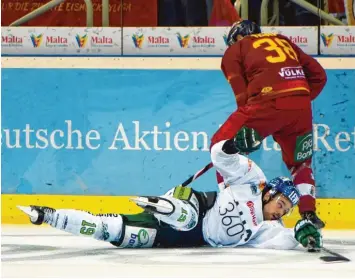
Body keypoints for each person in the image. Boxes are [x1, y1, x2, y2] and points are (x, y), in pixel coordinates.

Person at [18, 134, 322, 251]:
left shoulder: (269, 229)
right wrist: (232, 146)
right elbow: (220, 157)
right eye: (281, 203)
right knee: (188, 217)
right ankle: (162, 205)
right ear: (270, 193)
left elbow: (285, 241)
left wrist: (301, 232)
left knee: (110, 231)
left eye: (286, 211)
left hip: (185, 238)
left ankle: (48, 216)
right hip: (194, 204)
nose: (281, 212)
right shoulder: (252, 179)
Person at [212, 20, 327, 229]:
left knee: (220, 144)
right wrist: (296, 101)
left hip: (266, 103)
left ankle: (227, 199)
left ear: (237, 37)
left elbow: (242, 98)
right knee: (300, 163)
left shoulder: (235, 51)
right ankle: (309, 213)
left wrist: (254, 124)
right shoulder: (283, 41)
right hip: (300, 105)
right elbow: (319, 76)